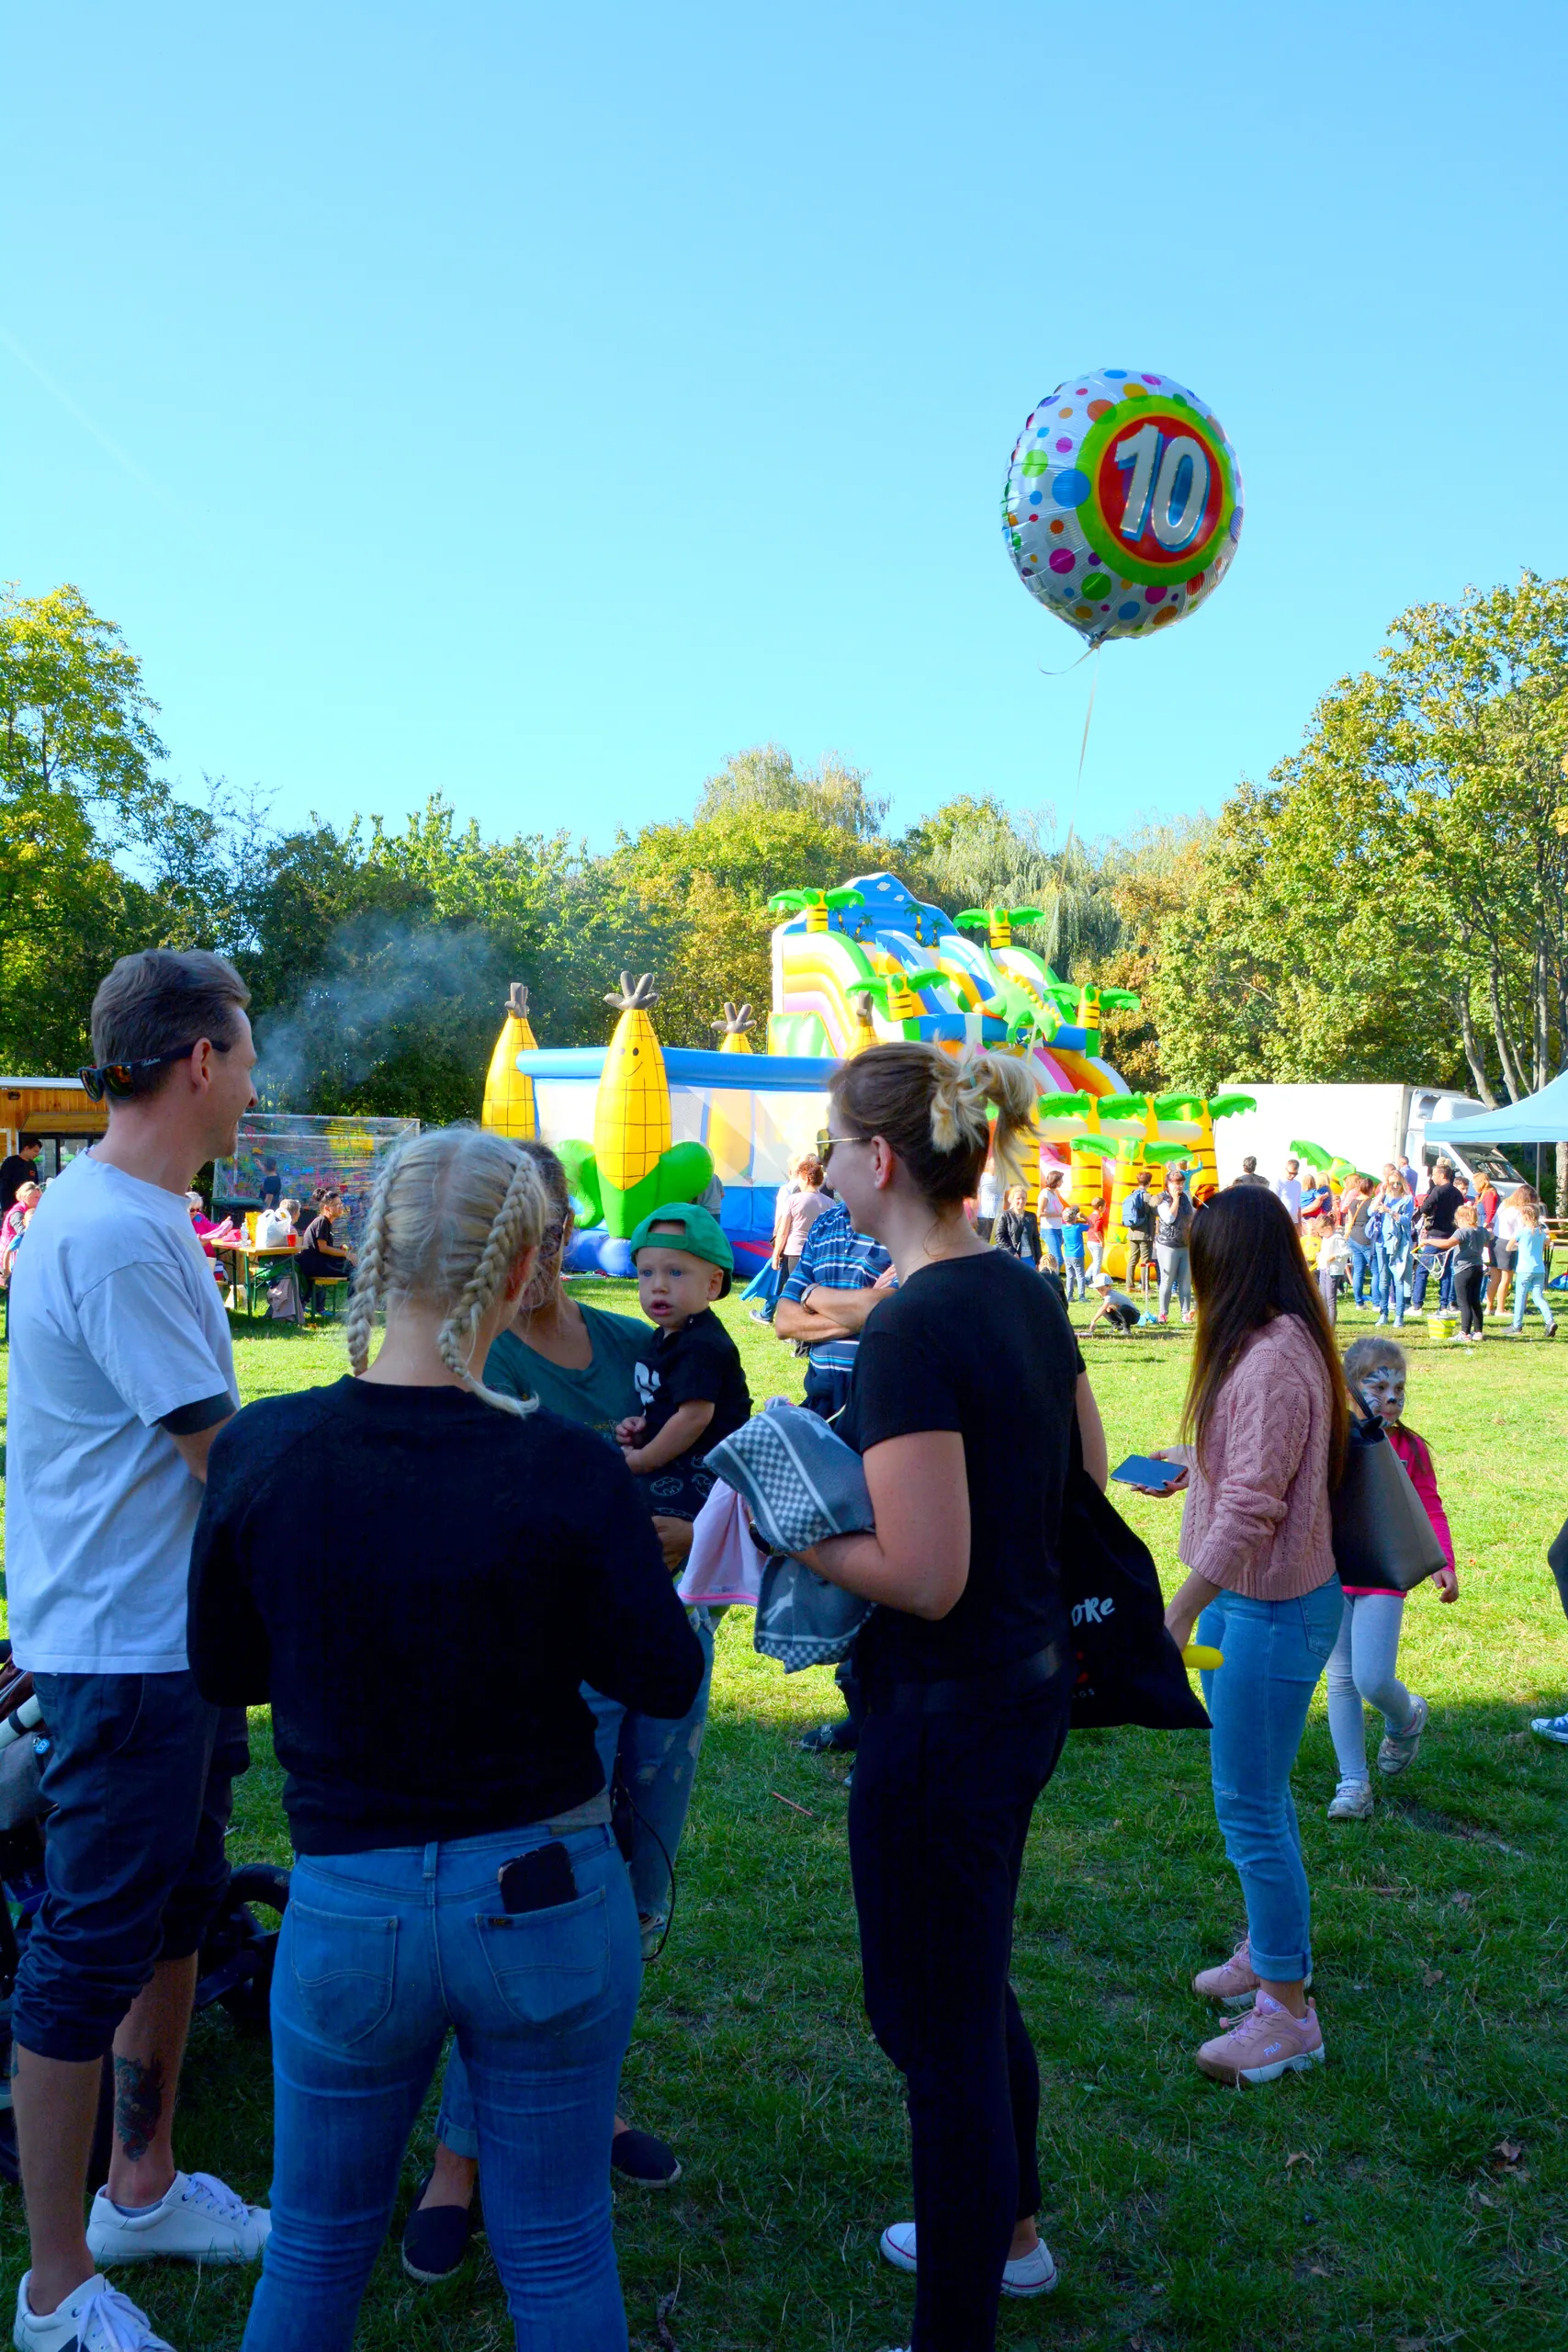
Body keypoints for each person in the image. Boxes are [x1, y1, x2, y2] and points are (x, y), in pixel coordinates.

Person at [186, 1125, 705, 2352]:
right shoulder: (566, 1469)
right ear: (527, 1269)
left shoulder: (267, 1446)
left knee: (312, 2252)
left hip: (347, 1906)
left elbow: (224, 1667)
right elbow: (664, 1672)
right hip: (541, 1896)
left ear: (373, 1250)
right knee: (560, 2248)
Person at [798, 1041, 1106, 2347]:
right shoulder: (1019, 1289)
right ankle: (1010, 2233)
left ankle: (956, 2316)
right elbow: (1083, 1473)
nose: (814, 1169)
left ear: (878, 1163)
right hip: (1022, 1685)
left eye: (827, 1144)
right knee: (960, 1984)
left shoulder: (917, 1326)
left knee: (929, 2021)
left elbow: (919, 1576)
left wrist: (786, 1521)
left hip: (942, 1708)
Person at [6, 949, 268, 2352]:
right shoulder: (114, 1229)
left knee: (178, 1911)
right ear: (202, 1063)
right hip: (121, 1651)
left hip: (170, 1641)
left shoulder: (140, 1213)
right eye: (248, 1051)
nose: (252, 1080)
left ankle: (142, 2186)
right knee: (86, 1947)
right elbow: (223, 1452)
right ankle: (56, 2290)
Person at [404, 1147, 715, 2275]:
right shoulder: (467, 1364)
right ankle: (459, 2160)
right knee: (519, 1898)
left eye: (552, 1219)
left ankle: (595, 2100)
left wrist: (699, 1531)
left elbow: (707, 1463)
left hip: (668, 1642)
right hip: (548, 1669)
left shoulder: (641, 1346)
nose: (534, 1248)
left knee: (633, 1881)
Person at [1140, 1185, 1348, 2086]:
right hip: (1251, 1603)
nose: (1194, 1279)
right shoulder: (1272, 1345)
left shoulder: (1270, 1359)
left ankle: (1288, 2014)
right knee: (1254, 1798)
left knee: (1251, 1807)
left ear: (1230, 1266)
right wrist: (1191, 1466)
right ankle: (1271, 1951)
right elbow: (1255, 1469)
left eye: (1200, 1262)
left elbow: (1261, 1507)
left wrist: (1180, 1607)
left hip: (1269, 1607)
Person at [776, 1190, 896, 1756]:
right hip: (822, 1406)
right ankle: (856, 1708)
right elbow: (781, 1319)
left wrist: (818, 1299)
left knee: (882, 1553)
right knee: (838, 1556)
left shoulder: (906, 1219)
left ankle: (881, 1715)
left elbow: (892, 1310)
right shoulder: (825, 1228)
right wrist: (859, 1306)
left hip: (880, 1402)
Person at [1325, 1338, 1458, 1820]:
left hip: (1383, 1571)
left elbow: (1428, 1504)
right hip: (1331, 1572)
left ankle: (1407, 1716)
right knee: (1339, 1680)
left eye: (1400, 1386)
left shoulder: (1410, 1447)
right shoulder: (1327, 1437)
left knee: (1373, 1679)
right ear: (1347, 1389)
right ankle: (1353, 1783)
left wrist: (1444, 1560)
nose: (1392, 1397)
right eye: (1377, 1385)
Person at [615, 1204, 751, 1523]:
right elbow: (666, 1402)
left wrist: (643, 1459)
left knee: (635, 1513)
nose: (658, 1285)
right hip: (678, 1457)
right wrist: (644, 1427)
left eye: (675, 1272)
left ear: (713, 1284)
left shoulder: (702, 1344)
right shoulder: (666, 1336)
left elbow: (693, 1418)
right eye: (646, 1273)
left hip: (709, 1467)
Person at [1411, 1159, 1462, 1311]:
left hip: (1435, 1234)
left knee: (1423, 1269)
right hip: (1451, 1235)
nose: (1432, 1178)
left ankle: (1417, 1304)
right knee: (1445, 1270)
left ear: (1442, 1176)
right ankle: (1444, 1304)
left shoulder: (1438, 1191)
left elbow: (1426, 1207)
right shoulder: (1457, 1193)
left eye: (1434, 1175)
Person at [773, 1155, 828, 1278]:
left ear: (807, 1179)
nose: (799, 1183)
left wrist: (776, 1255)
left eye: (800, 1179)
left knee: (796, 1289)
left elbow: (783, 1231)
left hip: (796, 1252)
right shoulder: (830, 1203)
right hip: (820, 1252)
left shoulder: (792, 1200)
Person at [1510, 1196, 1557, 1338]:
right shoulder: (1542, 1231)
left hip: (1524, 1269)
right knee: (1538, 1296)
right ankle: (1549, 1320)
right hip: (1539, 1269)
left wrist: (1519, 1246)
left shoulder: (1521, 1232)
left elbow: (1509, 1246)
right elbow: (1548, 1243)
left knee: (1520, 1296)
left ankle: (1516, 1325)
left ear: (1525, 1217)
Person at [1369, 1177, 1413, 1329]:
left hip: (1398, 1244)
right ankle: (1383, 1313)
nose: (1395, 1186)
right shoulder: (1384, 1197)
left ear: (1402, 1184)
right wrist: (1380, 1194)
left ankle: (1399, 1316)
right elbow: (1370, 1212)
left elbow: (1406, 1220)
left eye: (1398, 1183)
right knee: (1383, 1279)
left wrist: (1389, 1211)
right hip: (1381, 1242)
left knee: (1398, 1279)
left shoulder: (1407, 1199)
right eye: (1392, 1182)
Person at [295, 1187, 355, 1295]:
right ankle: (356, 1306)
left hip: (320, 1263)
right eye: (337, 1205)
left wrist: (340, 1251)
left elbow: (324, 1247)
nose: (341, 1207)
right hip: (315, 1266)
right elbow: (323, 1248)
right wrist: (347, 1254)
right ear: (327, 1208)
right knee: (357, 1271)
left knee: (355, 1267)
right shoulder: (322, 1221)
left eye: (341, 1204)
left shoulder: (325, 1222)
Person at [1154, 1168, 1195, 1325]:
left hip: (1185, 1244)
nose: (1179, 1187)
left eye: (1182, 1183)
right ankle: (1163, 1313)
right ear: (1168, 1184)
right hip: (1168, 1245)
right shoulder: (1162, 1199)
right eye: (1176, 1184)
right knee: (1167, 1279)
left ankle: (1185, 1313)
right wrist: (1175, 1200)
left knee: (1185, 1280)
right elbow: (1170, 1218)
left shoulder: (1187, 1197)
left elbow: (1192, 1215)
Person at [1450, 1204, 1488, 1341]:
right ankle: (1478, 1331)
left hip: (1463, 1269)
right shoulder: (1481, 1231)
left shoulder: (1462, 1232)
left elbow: (1448, 1243)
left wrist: (1428, 1241)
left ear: (1462, 1218)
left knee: (1463, 1302)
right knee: (1475, 1301)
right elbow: (1491, 1238)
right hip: (1478, 1268)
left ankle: (1464, 1332)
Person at [1341, 1176, 1376, 1307]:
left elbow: (1350, 1221)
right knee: (1375, 1271)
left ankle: (1358, 1302)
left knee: (1358, 1270)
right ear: (1371, 1189)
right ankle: (1376, 1301)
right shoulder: (1371, 1202)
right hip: (1365, 1238)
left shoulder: (1352, 1202)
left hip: (1353, 1237)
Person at [1122, 1171, 1157, 1299]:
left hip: (1132, 1232)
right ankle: (1144, 1287)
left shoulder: (1132, 1194)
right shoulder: (1148, 1196)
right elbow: (1156, 1212)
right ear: (1149, 1183)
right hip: (1145, 1233)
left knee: (1132, 1259)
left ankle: (1129, 1285)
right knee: (1145, 1261)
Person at [994, 1182, 1041, 1268]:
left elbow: (1035, 1239)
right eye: (1018, 1198)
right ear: (1012, 1200)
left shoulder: (1031, 1216)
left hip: (1030, 1258)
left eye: (1023, 1198)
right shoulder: (1005, 1216)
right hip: (1013, 1257)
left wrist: (1039, 1259)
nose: (1021, 1201)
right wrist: (1012, 1252)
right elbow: (999, 1237)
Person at [1086, 1268, 1140, 1337]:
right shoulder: (1107, 1295)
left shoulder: (1111, 1295)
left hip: (1134, 1316)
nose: (1100, 1292)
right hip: (1121, 1314)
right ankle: (1116, 1325)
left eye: (1102, 1289)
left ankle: (1126, 1329)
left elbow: (1103, 1309)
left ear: (1109, 1287)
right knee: (1104, 1307)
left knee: (1121, 1308)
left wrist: (1093, 1321)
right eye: (1098, 1290)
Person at [1315, 1222, 1351, 1325]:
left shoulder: (1337, 1238)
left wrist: (1335, 1256)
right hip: (1323, 1269)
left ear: (1328, 1228)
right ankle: (1324, 1323)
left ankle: (1331, 1326)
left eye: (1322, 1232)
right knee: (1323, 1298)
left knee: (1330, 1300)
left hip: (1333, 1271)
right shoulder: (1325, 1239)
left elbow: (1348, 1252)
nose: (1321, 1235)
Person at [1, 1136, 42, 1216]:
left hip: (29, 1208)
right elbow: (4, 1185)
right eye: (35, 1151)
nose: (37, 1154)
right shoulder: (11, 1162)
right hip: (12, 1206)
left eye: (38, 1152)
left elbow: (35, 1185)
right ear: (26, 1148)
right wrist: (5, 1208)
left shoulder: (32, 1164)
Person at [1037, 1165, 1066, 1273]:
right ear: (1056, 1181)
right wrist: (1059, 1214)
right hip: (1049, 1229)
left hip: (1058, 1228)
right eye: (1061, 1180)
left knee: (1052, 1258)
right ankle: (1052, 1278)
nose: (1062, 1182)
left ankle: (1049, 1277)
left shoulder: (1054, 1193)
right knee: (1058, 1259)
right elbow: (1039, 1214)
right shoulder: (1045, 1194)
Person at [1060, 1204, 1089, 1300]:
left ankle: (1069, 1295)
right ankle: (1081, 1296)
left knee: (1070, 1276)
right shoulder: (1078, 1227)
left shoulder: (1063, 1227)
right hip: (1078, 1255)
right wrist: (1084, 1216)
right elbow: (1092, 1225)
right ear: (1075, 1218)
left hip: (1067, 1255)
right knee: (1080, 1276)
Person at [975, 1156, 1001, 1242]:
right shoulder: (983, 1177)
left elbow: (1007, 1195)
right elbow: (976, 1195)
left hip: (998, 1217)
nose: (996, 1166)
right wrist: (975, 1212)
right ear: (989, 1165)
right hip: (984, 1215)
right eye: (994, 1164)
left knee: (997, 1241)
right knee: (982, 1241)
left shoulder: (1002, 1178)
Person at [1273, 1156, 1303, 1231]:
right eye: (1290, 1173)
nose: (1292, 1176)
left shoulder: (1298, 1184)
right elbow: (1272, 1202)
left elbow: (1298, 1205)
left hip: (1295, 1221)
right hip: (1281, 1220)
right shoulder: (1278, 1182)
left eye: (1295, 1174)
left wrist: (1299, 1224)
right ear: (1285, 1169)